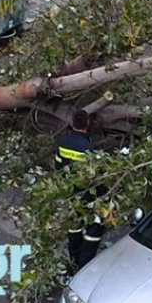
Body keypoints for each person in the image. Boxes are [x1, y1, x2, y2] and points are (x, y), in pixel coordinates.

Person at [55, 110, 104, 268]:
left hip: (69, 192)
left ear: (71, 123)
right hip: (87, 194)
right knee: (94, 227)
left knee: (74, 226)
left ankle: (73, 259)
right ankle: (84, 263)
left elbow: (57, 165)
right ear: (88, 124)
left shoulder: (63, 142)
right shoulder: (89, 148)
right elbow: (97, 175)